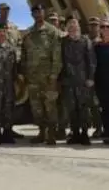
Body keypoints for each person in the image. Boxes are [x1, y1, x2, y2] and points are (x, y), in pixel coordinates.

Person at [20, 4, 62, 145]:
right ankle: (41, 132)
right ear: (32, 15)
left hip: (48, 77)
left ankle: (51, 134)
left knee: (50, 105)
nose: (37, 14)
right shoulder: (29, 33)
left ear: (43, 12)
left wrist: (54, 75)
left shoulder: (52, 31)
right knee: (36, 107)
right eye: (35, 12)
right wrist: (25, 73)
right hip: (32, 77)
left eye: (39, 11)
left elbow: (57, 55)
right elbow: (24, 55)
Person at [0, 3, 25, 140]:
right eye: (3, 10)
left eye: (7, 10)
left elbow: (19, 44)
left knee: (9, 104)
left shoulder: (14, 27)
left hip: (9, 74)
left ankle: (8, 130)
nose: (5, 12)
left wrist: (18, 60)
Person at [60, 16, 96, 145]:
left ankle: (85, 134)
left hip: (83, 81)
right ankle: (75, 133)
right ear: (67, 28)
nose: (72, 27)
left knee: (84, 109)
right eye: (70, 25)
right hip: (69, 82)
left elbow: (91, 61)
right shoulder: (63, 42)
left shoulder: (85, 41)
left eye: (74, 25)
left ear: (78, 27)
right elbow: (61, 61)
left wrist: (91, 78)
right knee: (71, 109)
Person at [48, 11, 69, 140]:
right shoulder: (47, 38)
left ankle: (62, 129)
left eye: (55, 20)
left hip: (64, 75)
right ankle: (52, 129)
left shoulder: (65, 37)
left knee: (64, 104)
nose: (53, 22)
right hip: (51, 76)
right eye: (50, 21)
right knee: (52, 104)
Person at [87, 16, 103, 138]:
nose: (93, 27)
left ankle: (99, 128)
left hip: (99, 78)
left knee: (96, 105)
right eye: (91, 25)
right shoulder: (84, 41)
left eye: (95, 25)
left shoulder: (102, 42)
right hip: (86, 77)